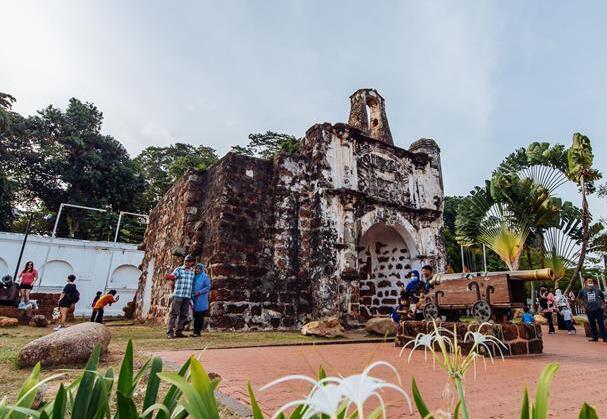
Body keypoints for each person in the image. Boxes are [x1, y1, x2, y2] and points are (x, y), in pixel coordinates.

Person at [165, 254, 196, 338]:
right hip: (178, 295)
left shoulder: (192, 272)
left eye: (189, 261)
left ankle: (179, 331)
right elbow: (173, 276)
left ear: (192, 263)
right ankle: (170, 332)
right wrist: (169, 277)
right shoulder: (179, 269)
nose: (187, 263)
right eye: (186, 261)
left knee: (183, 315)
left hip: (187, 296)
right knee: (173, 314)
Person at [577, 277, 606, 342]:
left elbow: (602, 297)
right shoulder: (582, 290)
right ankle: (595, 337)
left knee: (601, 323)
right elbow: (578, 298)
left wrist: (603, 305)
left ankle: (605, 337)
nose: (590, 285)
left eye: (591, 283)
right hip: (589, 310)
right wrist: (582, 307)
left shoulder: (597, 289)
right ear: (585, 283)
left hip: (598, 309)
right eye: (588, 283)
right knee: (592, 324)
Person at [192, 263, 211, 337]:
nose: (197, 270)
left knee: (200, 316)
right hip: (194, 298)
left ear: (202, 269)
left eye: (199, 269)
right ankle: (195, 331)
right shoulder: (194, 276)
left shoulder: (205, 277)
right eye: (196, 268)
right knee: (195, 316)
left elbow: (208, 287)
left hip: (201, 299)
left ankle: (197, 332)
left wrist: (199, 292)